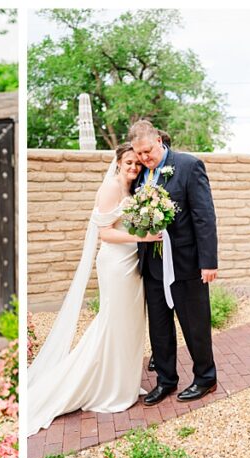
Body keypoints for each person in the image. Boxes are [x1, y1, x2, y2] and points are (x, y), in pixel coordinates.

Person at [26, 144, 162, 436]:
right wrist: (146, 236)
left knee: (129, 325)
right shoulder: (111, 188)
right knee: (113, 323)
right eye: (128, 162)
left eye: (137, 164)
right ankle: (104, 386)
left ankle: (121, 382)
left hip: (131, 263)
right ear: (117, 162)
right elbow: (106, 233)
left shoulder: (133, 189)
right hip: (115, 265)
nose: (133, 168)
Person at [129, 119, 219, 405]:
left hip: (186, 262)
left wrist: (209, 261)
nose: (144, 158)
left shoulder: (189, 166)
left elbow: (204, 217)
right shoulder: (141, 175)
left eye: (147, 152)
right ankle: (166, 381)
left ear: (158, 141)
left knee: (195, 323)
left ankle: (206, 378)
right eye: (139, 154)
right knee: (159, 325)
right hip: (153, 264)